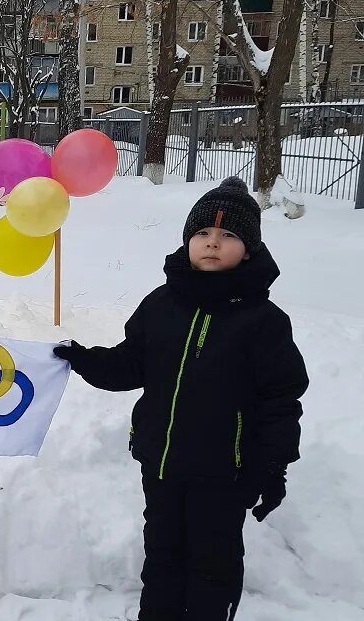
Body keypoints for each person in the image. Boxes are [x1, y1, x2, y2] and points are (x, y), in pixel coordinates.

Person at [53, 177, 309, 621]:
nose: (213, 244)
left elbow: (280, 400)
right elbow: (131, 364)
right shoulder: (161, 304)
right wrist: (83, 360)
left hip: (225, 474)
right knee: (163, 557)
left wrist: (272, 468)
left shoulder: (263, 321)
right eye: (203, 234)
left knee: (213, 564)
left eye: (228, 236)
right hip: (162, 463)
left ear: (248, 249)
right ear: (188, 241)